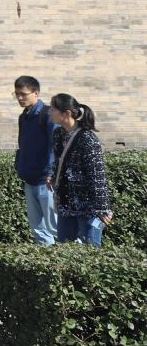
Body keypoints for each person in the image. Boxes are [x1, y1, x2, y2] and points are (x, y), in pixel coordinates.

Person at [47, 93, 113, 246]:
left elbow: (97, 175)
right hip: (65, 202)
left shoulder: (87, 138)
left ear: (66, 113)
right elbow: (59, 160)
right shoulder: (58, 134)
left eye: (53, 109)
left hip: (88, 207)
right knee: (65, 248)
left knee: (91, 249)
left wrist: (102, 209)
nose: (49, 112)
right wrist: (53, 175)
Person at [13, 76, 57, 245]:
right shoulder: (23, 117)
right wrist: (20, 166)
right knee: (38, 229)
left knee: (56, 227)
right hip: (29, 180)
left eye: (23, 94)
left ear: (36, 93)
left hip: (47, 181)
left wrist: (51, 173)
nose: (19, 98)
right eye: (16, 94)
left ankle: (71, 257)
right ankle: (47, 259)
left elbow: (54, 146)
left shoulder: (48, 115)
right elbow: (22, 145)